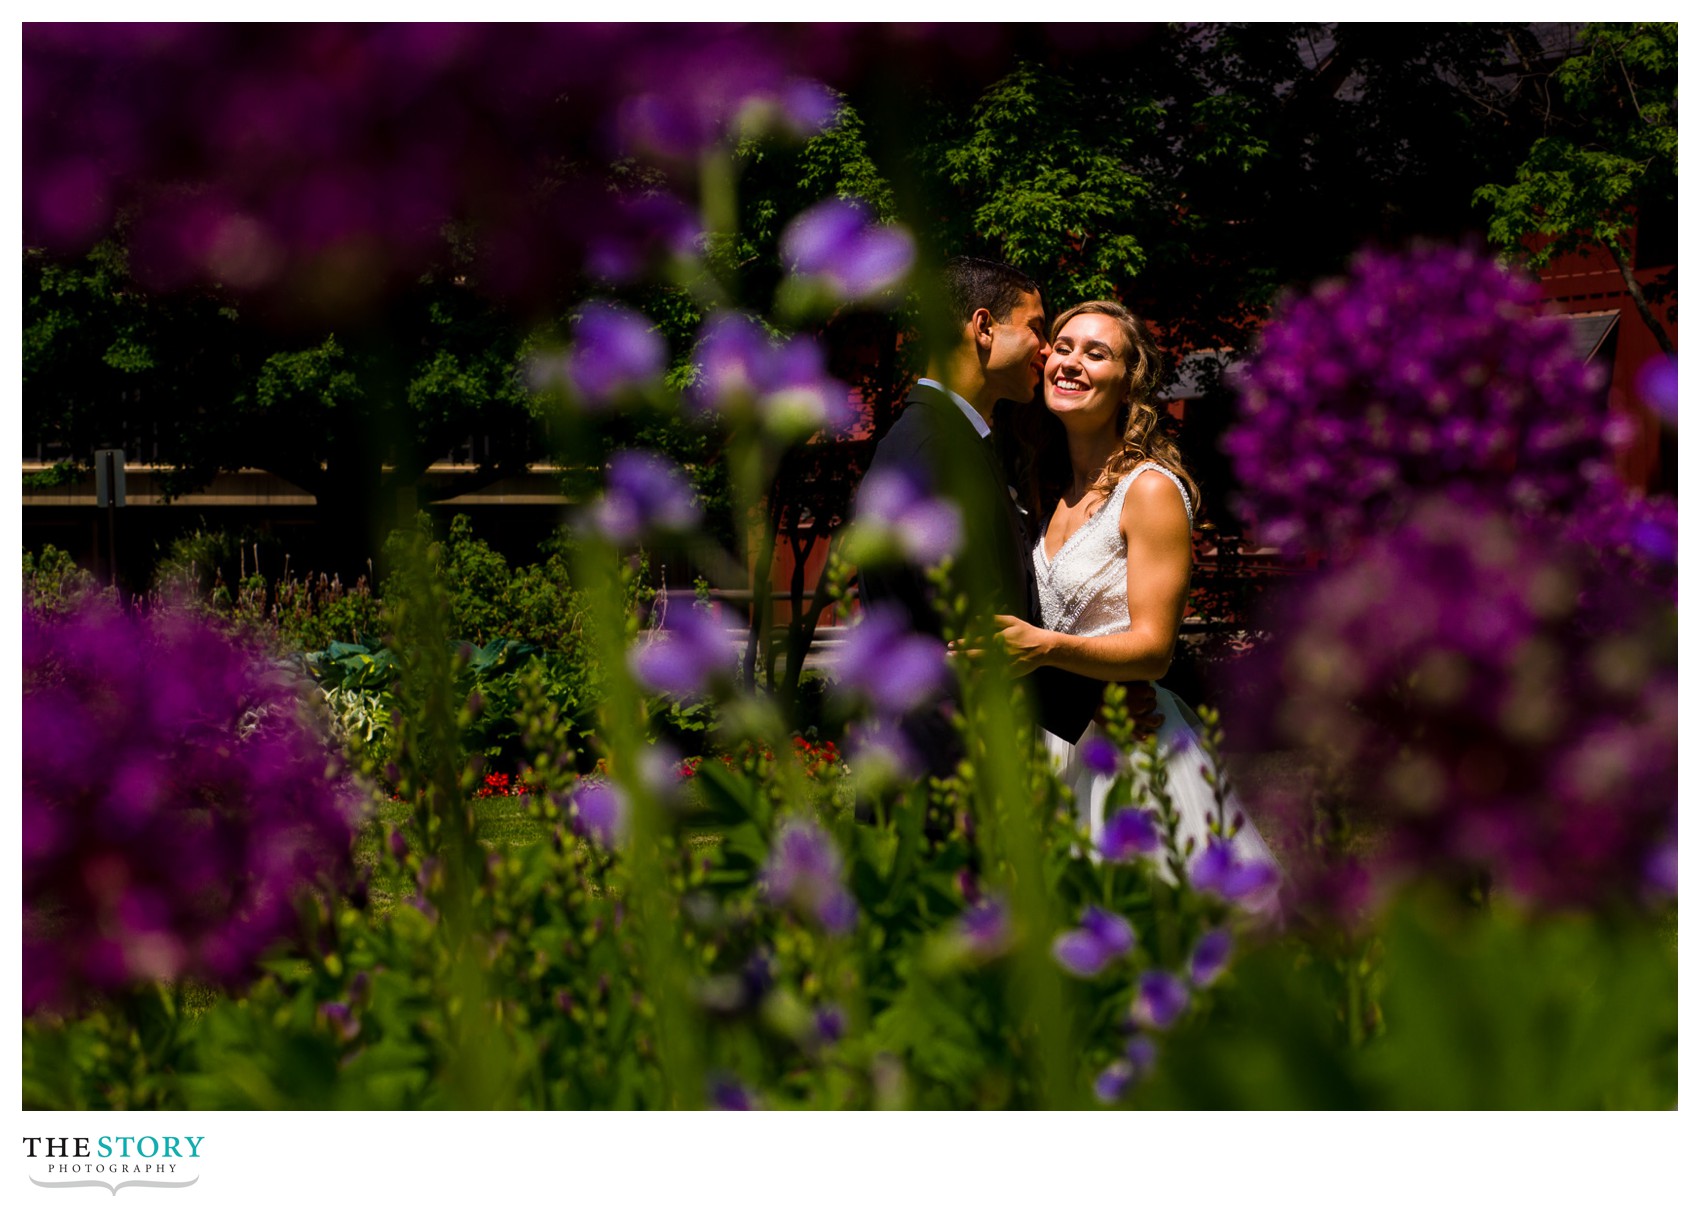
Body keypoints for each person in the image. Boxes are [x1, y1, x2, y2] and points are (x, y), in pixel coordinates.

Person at [977, 299, 1278, 896]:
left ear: (1129, 381)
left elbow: (1154, 649)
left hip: (1131, 748)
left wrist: (1042, 648)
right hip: (1053, 735)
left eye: (1097, 352)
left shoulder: (1149, 490)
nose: (1072, 363)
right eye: (1062, 347)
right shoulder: (1047, 491)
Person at [853, 258, 1159, 782]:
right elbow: (978, 636)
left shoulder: (960, 442)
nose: (1048, 350)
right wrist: (1092, 703)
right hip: (949, 770)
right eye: (1039, 330)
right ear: (984, 327)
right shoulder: (936, 451)